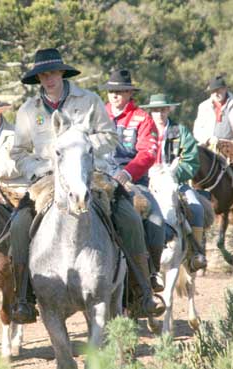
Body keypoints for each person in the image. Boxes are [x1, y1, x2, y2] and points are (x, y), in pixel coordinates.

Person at [10, 48, 165, 324]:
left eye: (53, 73)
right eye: (43, 75)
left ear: (62, 73)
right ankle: (23, 297)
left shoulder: (90, 100)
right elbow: (19, 153)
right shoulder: (27, 111)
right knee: (19, 223)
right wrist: (39, 168)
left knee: (128, 216)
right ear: (38, 79)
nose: (48, 79)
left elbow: (109, 136)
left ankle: (144, 288)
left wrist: (79, 150)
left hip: (90, 173)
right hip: (46, 179)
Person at [99, 69, 166, 293]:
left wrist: (127, 173)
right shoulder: (97, 114)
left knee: (156, 220)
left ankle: (151, 274)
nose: (115, 95)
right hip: (98, 177)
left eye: (120, 91)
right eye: (111, 91)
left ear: (129, 92)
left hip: (131, 181)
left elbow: (148, 153)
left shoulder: (142, 118)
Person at [140, 93, 208, 271]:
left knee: (196, 208)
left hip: (174, 181)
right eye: (156, 110)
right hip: (146, 181)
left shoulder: (180, 131)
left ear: (168, 110)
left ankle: (195, 253)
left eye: (163, 110)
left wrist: (173, 175)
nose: (159, 114)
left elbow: (192, 160)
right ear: (150, 112)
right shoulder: (143, 130)